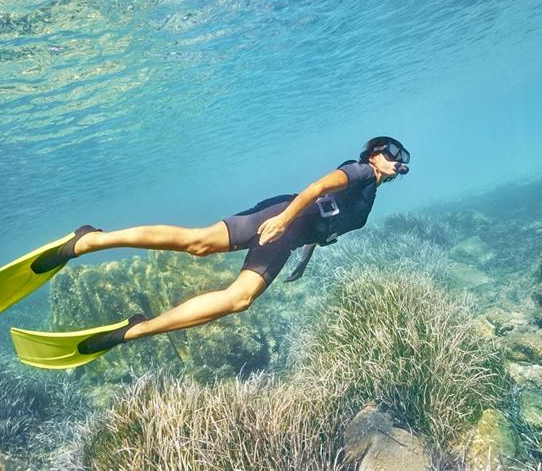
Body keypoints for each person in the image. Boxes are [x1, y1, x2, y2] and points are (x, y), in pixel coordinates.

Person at [37, 136, 410, 355]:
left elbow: (328, 220)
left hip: (291, 237)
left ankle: (134, 331)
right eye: (391, 152)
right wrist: (281, 220)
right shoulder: (360, 172)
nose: (397, 160)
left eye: (402, 158)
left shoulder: (368, 194)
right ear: (373, 154)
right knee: (197, 242)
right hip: (279, 217)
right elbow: (316, 190)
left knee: (238, 300)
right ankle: (89, 240)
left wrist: (304, 255)